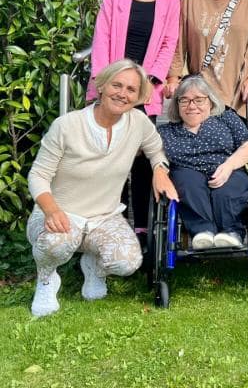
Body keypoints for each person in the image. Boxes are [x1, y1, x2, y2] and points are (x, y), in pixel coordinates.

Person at [27, 59, 178, 317]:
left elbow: (156, 150)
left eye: (131, 89)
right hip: (59, 213)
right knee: (56, 244)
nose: (122, 94)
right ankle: (46, 279)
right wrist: (51, 210)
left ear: (138, 96)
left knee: (128, 261)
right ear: (101, 86)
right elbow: (38, 175)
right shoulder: (67, 125)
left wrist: (160, 171)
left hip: (104, 217)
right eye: (116, 85)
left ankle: (94, 267)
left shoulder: (139, 122)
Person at [87, 0, 180, 239]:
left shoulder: (171, 2)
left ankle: (141, 228)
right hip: (112, 87)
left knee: (141, 158)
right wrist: (105, 82)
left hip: (144, 90)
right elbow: (101, 37)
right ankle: (110, 222)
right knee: (108, 155)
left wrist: (151, 80)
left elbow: (168, 44)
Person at [158, 74, 248, 249]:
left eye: (199, 100)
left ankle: (231, 232)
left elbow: (247, 146)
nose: (191, 105)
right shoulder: (166, 131)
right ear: (177, 104)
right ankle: (203, 232)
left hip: (228, 168)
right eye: (184, 100)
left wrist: (228, 166)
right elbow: (154, 154)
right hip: (186, 173)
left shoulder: (227, 118)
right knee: (188, 183)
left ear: (210, 101)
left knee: (226, 190)